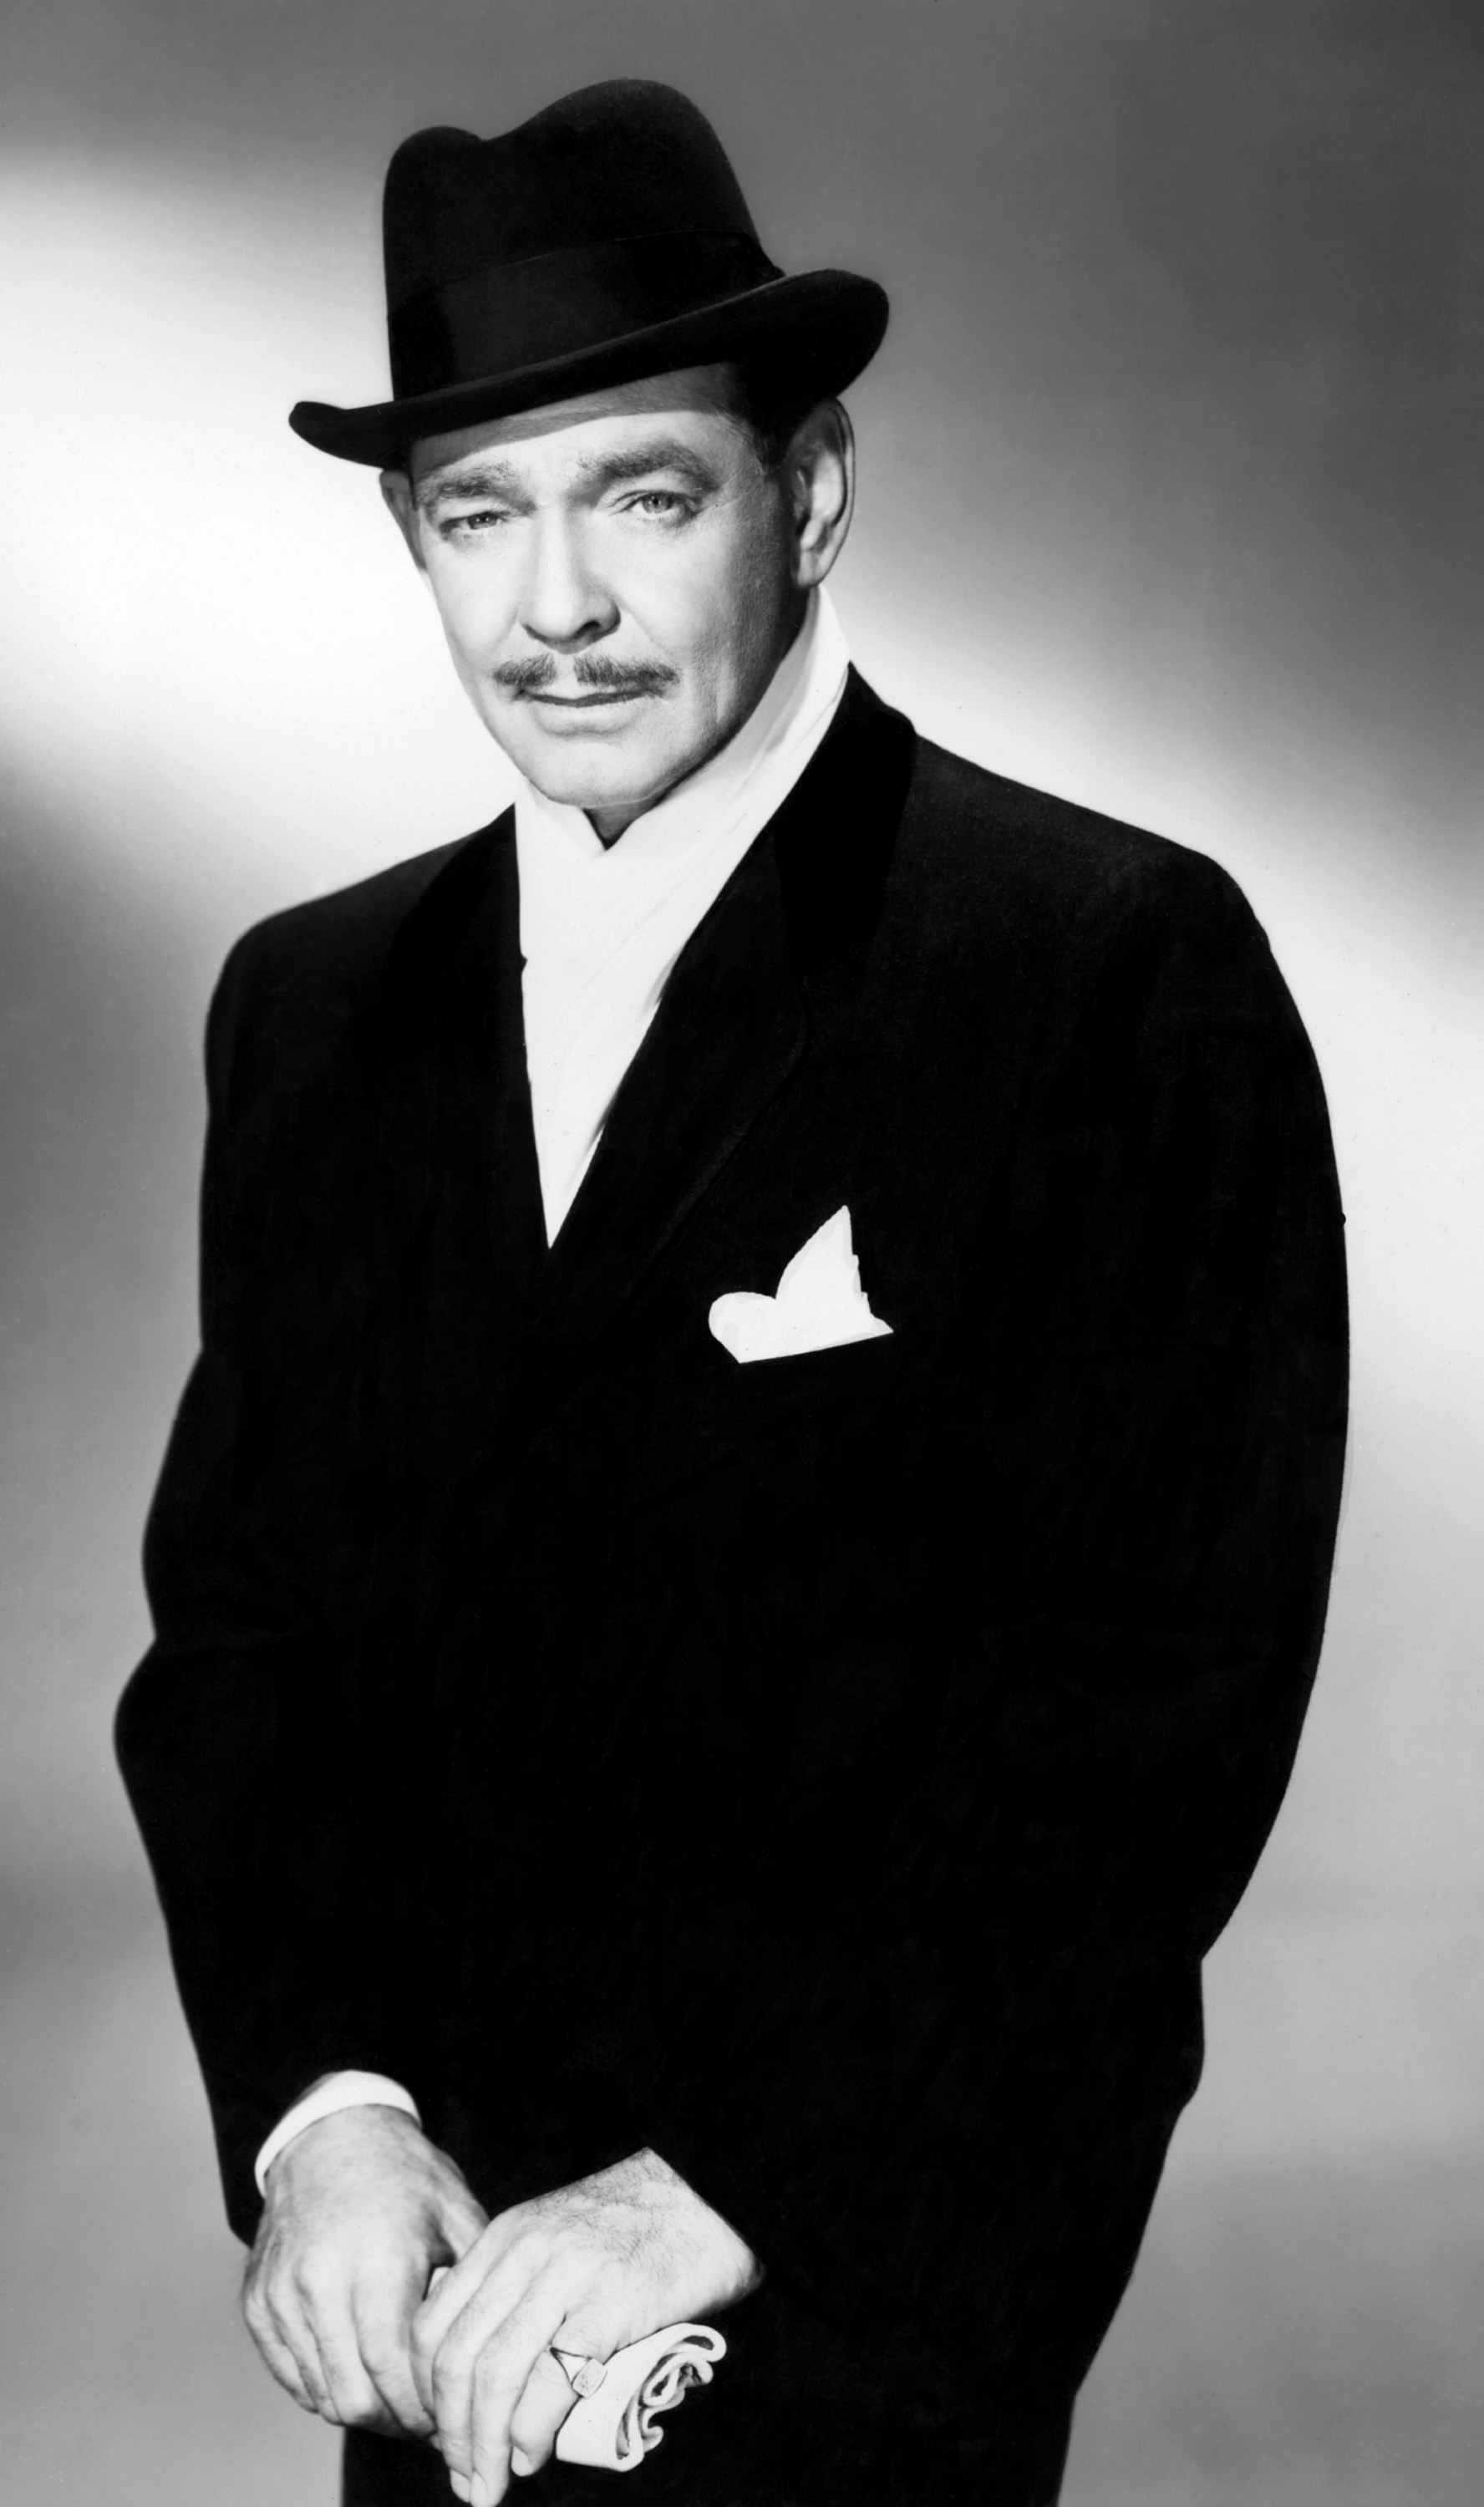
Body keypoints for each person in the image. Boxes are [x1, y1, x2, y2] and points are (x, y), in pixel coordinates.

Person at [115, 77, 1349, 2507]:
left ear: (814, 491)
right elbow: (250, 1633)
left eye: (646, 496)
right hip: (439, 2296)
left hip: (867, 2279)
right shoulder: (315, 1010)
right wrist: (326, 2111)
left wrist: (730, 2182)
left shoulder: (1105, 967)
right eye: (482, 514)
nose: (554, 607)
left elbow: (1150, 1717)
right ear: (412, 540)